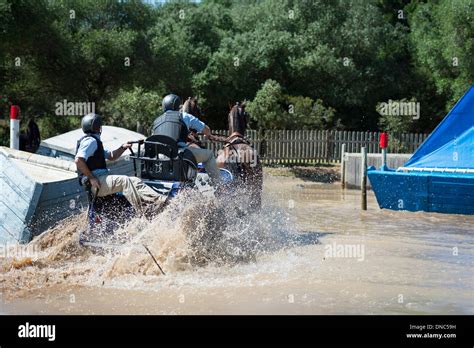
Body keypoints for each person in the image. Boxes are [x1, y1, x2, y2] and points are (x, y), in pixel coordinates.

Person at [75, 113, 167, 215]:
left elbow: (111, 156)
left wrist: (123, 147)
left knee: (135, 180)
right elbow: (79, 160)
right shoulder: (90, 141)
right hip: (96, 182)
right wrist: (91, 178)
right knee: (124, 181)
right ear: (98, 127)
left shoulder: (94, 141)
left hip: (101, 179)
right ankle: (143, 212)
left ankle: (161, 200)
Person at [151, 94, 222, 186]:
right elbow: (206, 129)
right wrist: (208, 134)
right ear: (176, 105)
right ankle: (219, 185)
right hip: (179, 155)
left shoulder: (156, 121)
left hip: (159, 157)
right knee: (209, 155)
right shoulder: (184, 116)